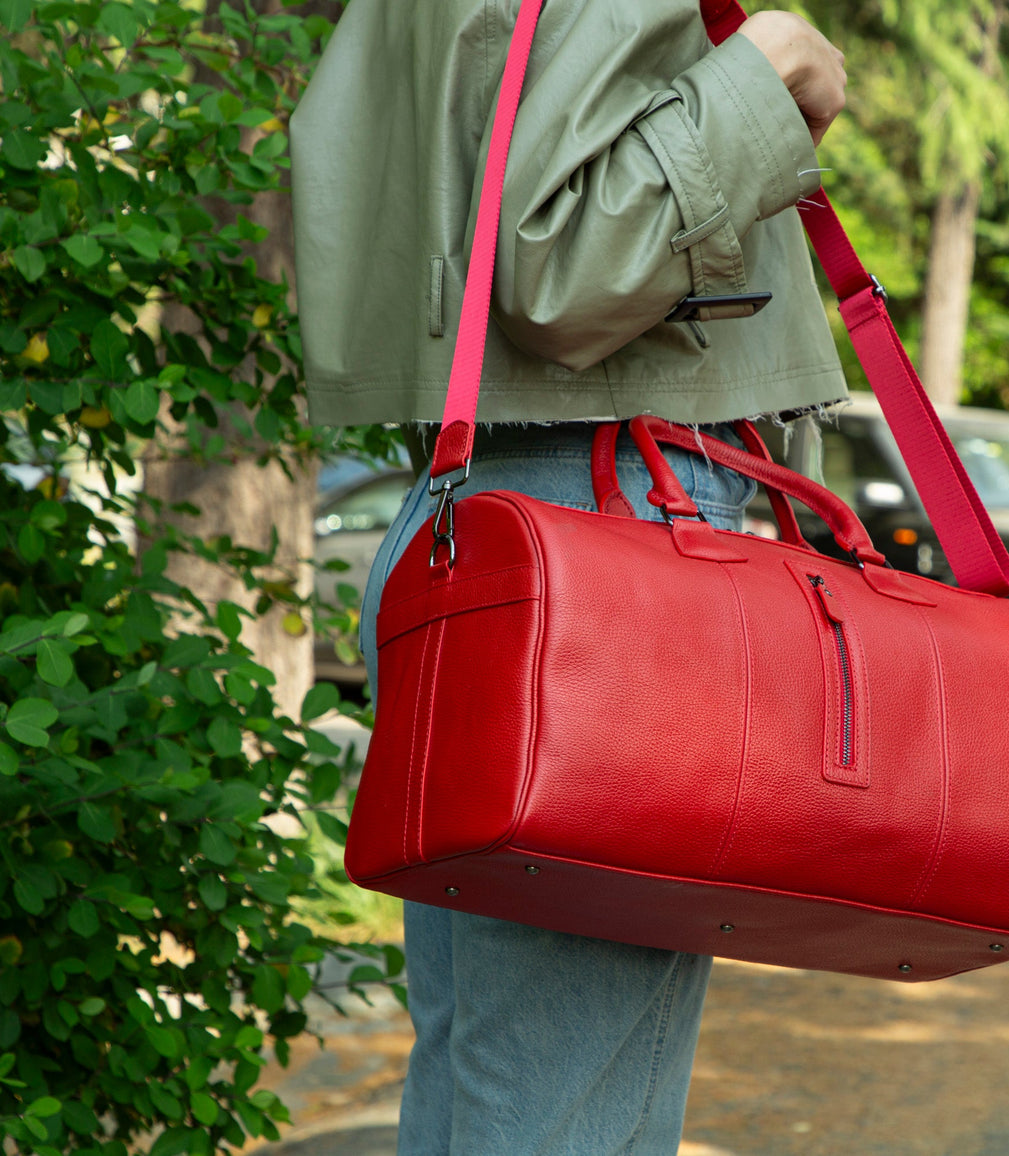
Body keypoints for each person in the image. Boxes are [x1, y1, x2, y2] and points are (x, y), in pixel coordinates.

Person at [291, 2, 849, 1152]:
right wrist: (769, 67)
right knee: (556, 1109)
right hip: (608, 547)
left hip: (493, 529)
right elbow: (568, 271)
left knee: (490, 1087)